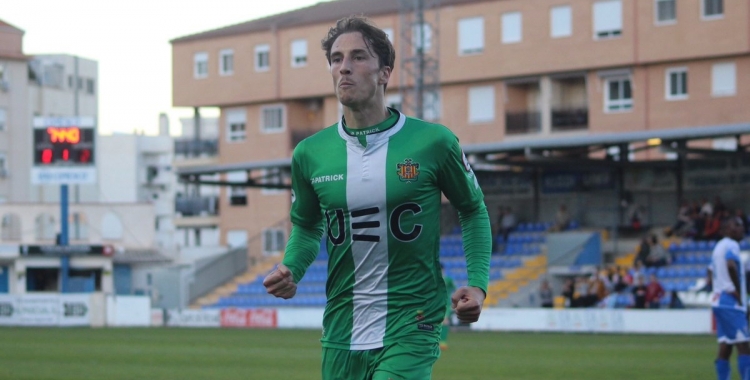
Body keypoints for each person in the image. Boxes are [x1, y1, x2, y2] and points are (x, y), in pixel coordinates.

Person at [263, 16, 491, 380]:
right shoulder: (309, 154)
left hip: (412, 320)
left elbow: (473, 210)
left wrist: (478, 283)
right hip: (342, 326)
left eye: (358, 57)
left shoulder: (434, 142)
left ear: (385, 72)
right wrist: (292, 267)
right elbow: (306, 225)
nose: (344, 68)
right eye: (336, 59)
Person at [710, 216, 750, 380]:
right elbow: (731, 265)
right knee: (745, 346)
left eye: (742, 226)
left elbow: (711, 271)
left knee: (726, 345)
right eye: (737, 225)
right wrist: (737, 292)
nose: (741, 228)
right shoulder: (731, 244)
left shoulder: (718, 246)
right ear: (727, 229)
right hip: (730, 301)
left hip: (719, 300)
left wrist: (719, 285)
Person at [440, 263, 456, 350]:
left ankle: (443, 342)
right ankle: (435, 341)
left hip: (446, 304)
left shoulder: (448, 280)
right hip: (435, 304)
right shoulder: (433, 279)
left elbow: (455, 289)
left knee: (445, 321)